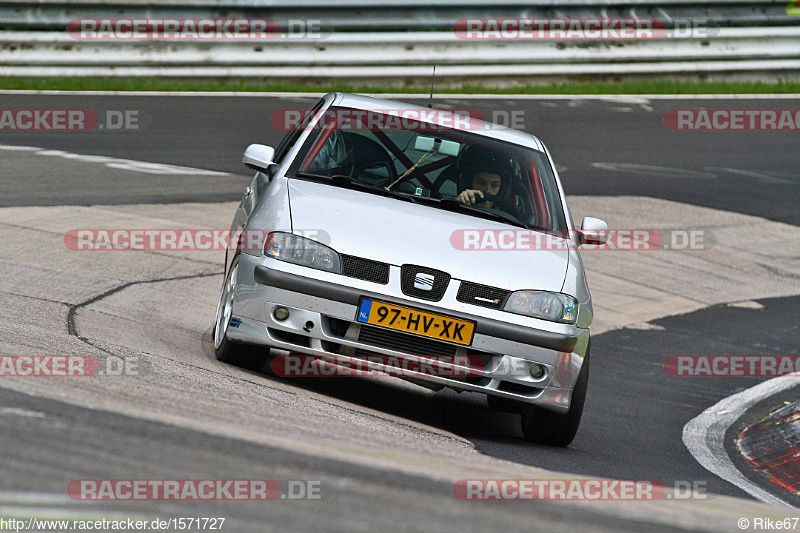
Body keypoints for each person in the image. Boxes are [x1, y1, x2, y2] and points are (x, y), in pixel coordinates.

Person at [454, 145, 513, 209]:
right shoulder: (448, 215)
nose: (487, 191)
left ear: (502, 190)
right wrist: (458, 205)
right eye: (481, 183)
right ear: (468, 184)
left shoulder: (510, 218)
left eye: (494, 185)